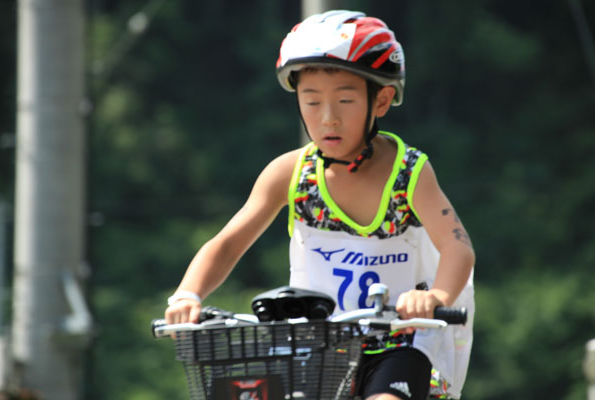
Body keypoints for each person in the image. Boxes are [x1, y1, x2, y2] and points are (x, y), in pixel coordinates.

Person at [165, 10, 475, 400]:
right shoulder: (288, 174)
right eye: (311, 101)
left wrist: (436, 298)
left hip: (402, 341)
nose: (328, 118)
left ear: (380, 100)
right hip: (318, 346)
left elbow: (457, 247)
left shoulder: (410, 172)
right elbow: (227, 245)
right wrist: (187, 295)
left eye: (345, 100)